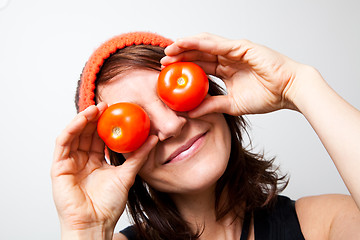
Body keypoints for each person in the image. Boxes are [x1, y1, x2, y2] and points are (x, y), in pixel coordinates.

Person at [51, 32, 360, 240]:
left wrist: (299, 85)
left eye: (174, 94)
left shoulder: (324, 224)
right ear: (120, 158)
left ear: (212, 95)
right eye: (136, 123)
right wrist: (85, 231)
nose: (171, 126)